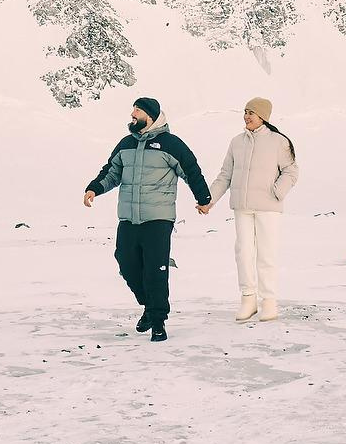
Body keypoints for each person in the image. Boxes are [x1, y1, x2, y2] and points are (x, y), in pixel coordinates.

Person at [83, 96, 211, 342]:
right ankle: (150, 307)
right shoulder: (126, 144)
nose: (132, 114)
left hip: (159, 218)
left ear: (150, 116)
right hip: (129, 218)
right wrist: (94, 188)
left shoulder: (171, 144)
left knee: (156, 269)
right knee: (126, 263)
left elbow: (191, 169)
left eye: (137, 111)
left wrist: (203, 198)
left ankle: (158, 321)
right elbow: (111, 172)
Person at [206, 97, 299, 322]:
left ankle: (269, 302)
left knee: (266, 255)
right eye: (245, 112)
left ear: (263, 117)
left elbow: (291, 171)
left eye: (251, 112)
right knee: (243, 253)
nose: (246, 116)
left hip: (268, 206)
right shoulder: (236, 142)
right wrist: (209, 200)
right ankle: (248, 300)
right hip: (242, 206)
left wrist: (276, 191)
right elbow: (225, 175)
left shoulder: (279, 142)